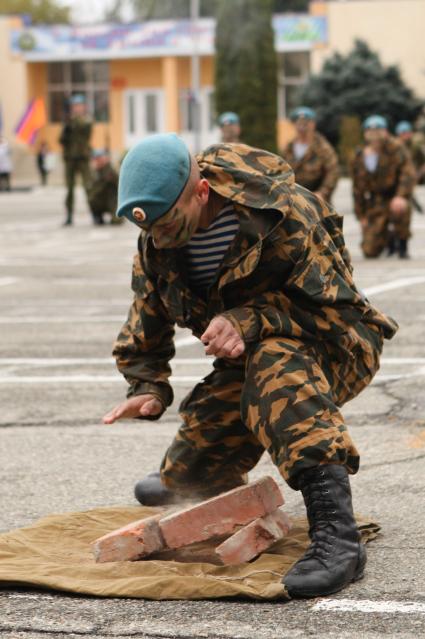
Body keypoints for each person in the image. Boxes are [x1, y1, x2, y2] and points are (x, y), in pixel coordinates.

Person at [102, 133, 397, 598]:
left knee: (276, 366)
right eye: (149, 228)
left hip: (336, 347)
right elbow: (147, 314)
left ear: (202, 193)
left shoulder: (282, 214)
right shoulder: (158, 238)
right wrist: (148, 384)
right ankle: (204, 477)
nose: (157, 237)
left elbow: (337, 313)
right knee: (186, 480)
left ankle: (337, 539)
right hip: (251, 356)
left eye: (167, 223)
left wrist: (251, 319)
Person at [351, 115, 416, 259]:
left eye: (378, 130)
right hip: (375, 203)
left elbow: (408, 173)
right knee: (369, 251)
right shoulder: (360, 156)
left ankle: (402, 244)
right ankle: (388, 239)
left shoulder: (396, 147)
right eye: (370, 131)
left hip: (394, 196)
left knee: (402, 207)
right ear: (365, 134)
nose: (375, 135)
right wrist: (361, 216)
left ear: (385, 131)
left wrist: (401, 195)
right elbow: (357, 189)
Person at [282, 106, 339, 203]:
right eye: (299, 123)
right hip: (293, 200)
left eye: (306, 123)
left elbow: (333, 172)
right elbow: (282, 171)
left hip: (316, 200)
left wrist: (322, 193)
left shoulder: (323, 147)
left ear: (313, 124)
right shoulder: (289, 148)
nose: (302, 127)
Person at [59, 94, 93, 226]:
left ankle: (94, 213)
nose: (77, 108)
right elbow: (61, 140)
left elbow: (85, 129)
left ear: (84, 107)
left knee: (88, 187)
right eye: (75, 106)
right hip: (70, 159)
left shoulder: (86, 120)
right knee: (69, 189)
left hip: (83, 158)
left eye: (79, 106)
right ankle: (69, 215)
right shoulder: (68, 122)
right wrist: (66, 128)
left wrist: (72, 120)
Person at [87, 149, 122, 226]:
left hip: (112, 202)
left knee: (116, 222)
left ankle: (116, 216)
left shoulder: (110, 170)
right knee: (91, 199)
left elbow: (119, 185)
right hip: (100, 201)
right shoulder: (94, 173)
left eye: (99, 158)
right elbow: (92, 190)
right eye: (96, 159)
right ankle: (97, 216)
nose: (98, 161)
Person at [395, 120, 425, 186]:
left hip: (417, 179)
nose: (405, 135)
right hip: (399, 180)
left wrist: (418, 175)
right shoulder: (394, 147)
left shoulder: (415, 146)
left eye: (407, 132)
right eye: (403, 133)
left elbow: (423, 163)